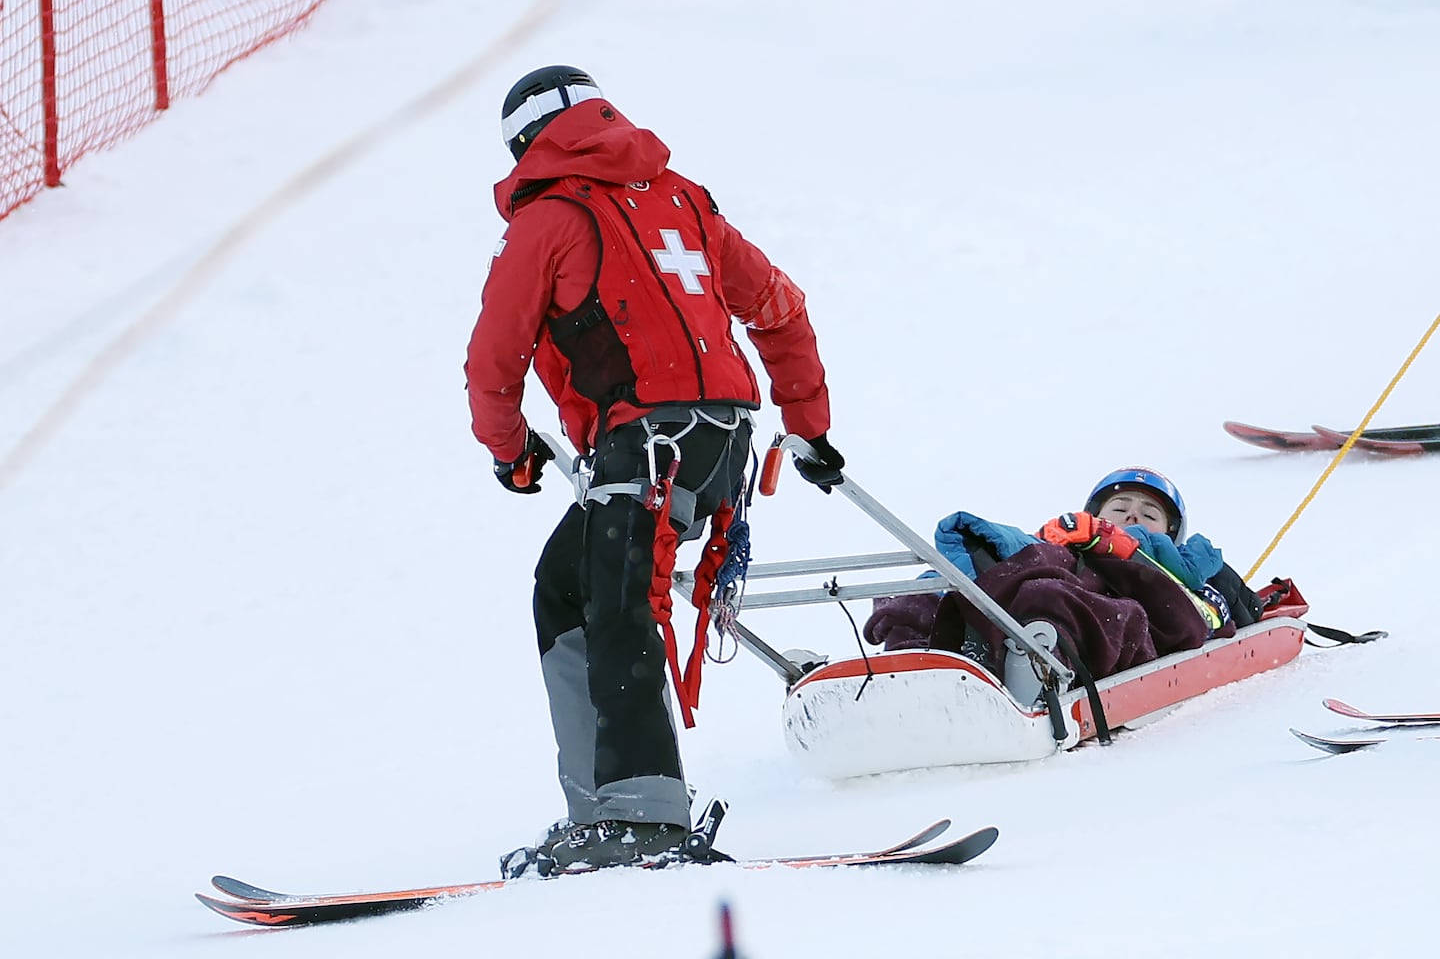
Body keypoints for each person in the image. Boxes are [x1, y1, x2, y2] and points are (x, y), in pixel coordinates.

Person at [464, 65, 842, 873]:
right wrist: (806, 425)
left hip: (644, 447)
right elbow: (779, 306)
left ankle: (643, 820)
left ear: (523, 143)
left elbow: (492, 359)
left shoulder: (548, 219)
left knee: (619, 607)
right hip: (722, 448)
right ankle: (601, 812)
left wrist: (511, 453)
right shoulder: (682, 198)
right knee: (566, 585)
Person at [864, 467, 1262, 703]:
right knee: (946, 584)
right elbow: (1029, 552)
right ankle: (909, 663)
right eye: (1120, 510)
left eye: (1148, 515)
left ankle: (1039, 670)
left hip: (1116, 615)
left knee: (1050, 595)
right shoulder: (1069, 548)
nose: (1131, 519)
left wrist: (1127, 553)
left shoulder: (1189, 568)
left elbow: (1199, 617)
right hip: (1045, 595)